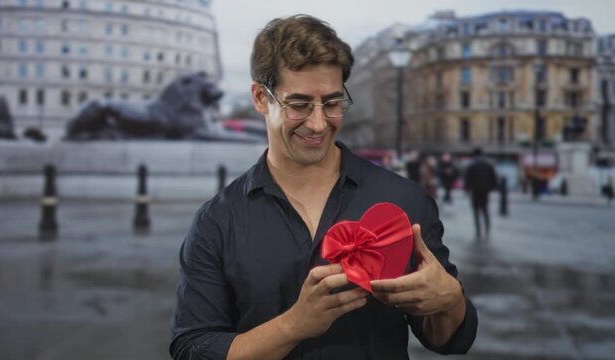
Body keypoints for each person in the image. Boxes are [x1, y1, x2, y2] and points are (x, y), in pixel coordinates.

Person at [170, 15, 477, 360]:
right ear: (260, 97)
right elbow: (192, 349)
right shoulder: (217, 221)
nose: (318, 124)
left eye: (332, 103)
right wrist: (293, 325)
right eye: (299, 105)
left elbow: (449, 340)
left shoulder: (405, 200)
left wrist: (449, 300)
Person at [464, 147, 497, 241]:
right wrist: (492, 187)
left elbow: (467, 178)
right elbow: (493, 177)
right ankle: (487, 228)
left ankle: (478, 230)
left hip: (475, 190)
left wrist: (466, 189)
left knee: (476, 211)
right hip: (485, 190)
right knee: (485, 209)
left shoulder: (472, 165)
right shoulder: (488, 164)